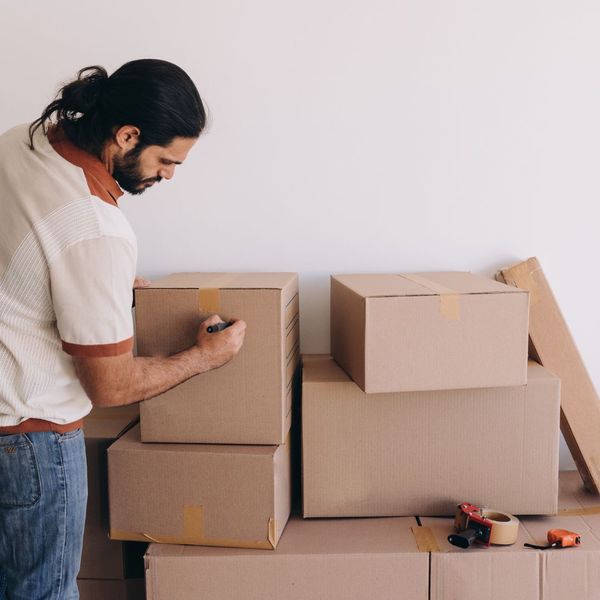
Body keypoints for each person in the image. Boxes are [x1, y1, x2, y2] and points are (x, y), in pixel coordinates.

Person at [0, 59, 246, 599]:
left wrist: (93, 286)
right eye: (166, 159)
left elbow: (27, 255)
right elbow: (109, 387)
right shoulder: (95, 228)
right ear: (127, 135)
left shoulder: (25, 140)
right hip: (31, 443)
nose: (169, 175)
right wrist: (204, 358)